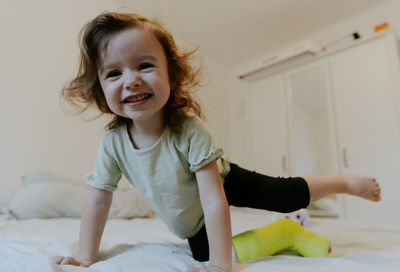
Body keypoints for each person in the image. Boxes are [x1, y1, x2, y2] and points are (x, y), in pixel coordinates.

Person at [52, 12, 381, 272]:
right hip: (189, 221)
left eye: (145, 65)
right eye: (113, 73)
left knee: (283, 195)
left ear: (172, 74)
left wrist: (221, 267)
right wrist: (85, 256)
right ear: (100, 89)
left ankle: (344, 182)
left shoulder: (188, 129)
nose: (132, 79)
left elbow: (213, 199)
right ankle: (286, 233)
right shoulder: (113, 143)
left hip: (223, 182)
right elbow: (98, 201)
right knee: (204, 253)